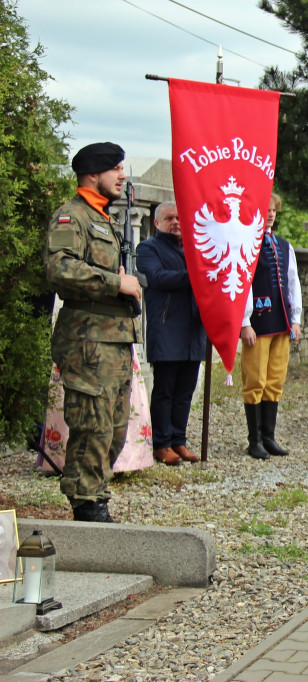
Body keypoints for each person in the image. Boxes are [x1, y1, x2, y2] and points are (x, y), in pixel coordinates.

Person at [45, 142, 142, 522]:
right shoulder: (71, 218)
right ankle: (87, 507)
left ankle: (95, 497)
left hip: (115, 340)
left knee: (114, 429)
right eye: (115, 169)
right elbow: (60, 269)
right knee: (91, 426)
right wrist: (115, 283)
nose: (121, 175)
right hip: (87, 341)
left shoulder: (105, 219)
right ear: (92, 174)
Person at [136, 201, 206, 466]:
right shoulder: (147, 248)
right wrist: (195, 276)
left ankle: (179, 439)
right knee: (165, 390)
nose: (175, 222)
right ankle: (161, 443)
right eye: (169, 218)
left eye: (179, 217)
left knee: (186, 390)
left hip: (192, 330)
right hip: (166, 328)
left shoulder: (193, 248)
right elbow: (157, 278)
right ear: (156, 223)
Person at [240, 193, 302, 460]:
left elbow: (293, 282)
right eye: (265, 209)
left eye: (273, 209)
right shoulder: (245, 243)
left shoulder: (284, 246)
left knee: (275, 379)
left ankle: (269, 437)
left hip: (281, 320)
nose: (270, 214)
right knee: (255, 380)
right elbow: (242, 283)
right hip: (258, 322)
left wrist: (296, 317)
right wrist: (244, 322)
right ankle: (254, 441)